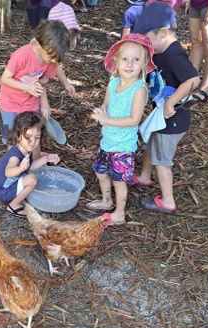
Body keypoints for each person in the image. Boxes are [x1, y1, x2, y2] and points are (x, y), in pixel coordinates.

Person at [131, 2, 200, 214]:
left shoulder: (173, 54)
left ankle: (167, 200)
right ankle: (144, 176)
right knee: (151, 144)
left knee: (162, 159)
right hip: (160, 116)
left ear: (162, 33)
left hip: (172, 119)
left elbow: (192, 80)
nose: (146, 45)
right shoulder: (160, 51)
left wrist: (171, 102)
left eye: (147, 40)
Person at [85, 34, 155, 225]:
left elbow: (134, 120)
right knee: (100, 172)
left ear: (144, 64)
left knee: (119, 180)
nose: (130, 64)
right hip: (107, 142)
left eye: (136, 60)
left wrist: (108, 119)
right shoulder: (114, 82)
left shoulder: (139, 89)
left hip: (123, 146)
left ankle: (120, 213)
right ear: (116, 61)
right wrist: (101, 112)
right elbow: (106, 104)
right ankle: (107, 201)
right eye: (125, 59)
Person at [0, 20, 71, 148]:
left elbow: (44, 81)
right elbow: (4, 79)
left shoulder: (49, 59)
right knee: (11, 138)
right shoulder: (21, 56)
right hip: (10, 103)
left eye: (56, 58)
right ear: (38, 45)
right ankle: (12, 163)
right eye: (51, 56)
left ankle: (35, 163)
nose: (53, 61)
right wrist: (26, 87)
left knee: (34, 136)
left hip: (31, 103)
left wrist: (44, 103)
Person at [0, 112, 60, 219]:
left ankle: (20, 195)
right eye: (28, 137)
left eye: (37, 137)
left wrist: (46, 159)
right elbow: (8, 172)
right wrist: (20, 168)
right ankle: (13, 205)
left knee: (31, 176)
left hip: (8, 185)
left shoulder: (25, 150)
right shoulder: (15, 156)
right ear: (17, 136)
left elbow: (30, 166)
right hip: (2, 190)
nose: (33, 142)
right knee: (31, 180)